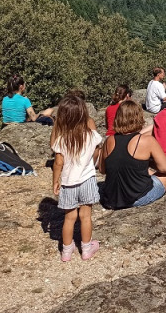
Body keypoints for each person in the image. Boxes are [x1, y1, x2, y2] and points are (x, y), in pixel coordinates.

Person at [99, 101, 166, 209]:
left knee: (140, 168)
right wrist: (150, 162)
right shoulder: (146, 140)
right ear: (139, 117)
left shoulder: (109, 141)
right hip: (138, 197)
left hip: (112, 199)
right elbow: (165, 169)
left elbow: (102, 170)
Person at [51, 93, 103, 262]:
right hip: (87, 179)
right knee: (86, 216)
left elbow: (58, 162)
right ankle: (86, 249)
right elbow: (98, 144)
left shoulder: (61, 139)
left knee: (69, 217)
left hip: (68, 182)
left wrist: (55, 181)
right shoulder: (90, 135)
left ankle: (66, 251)